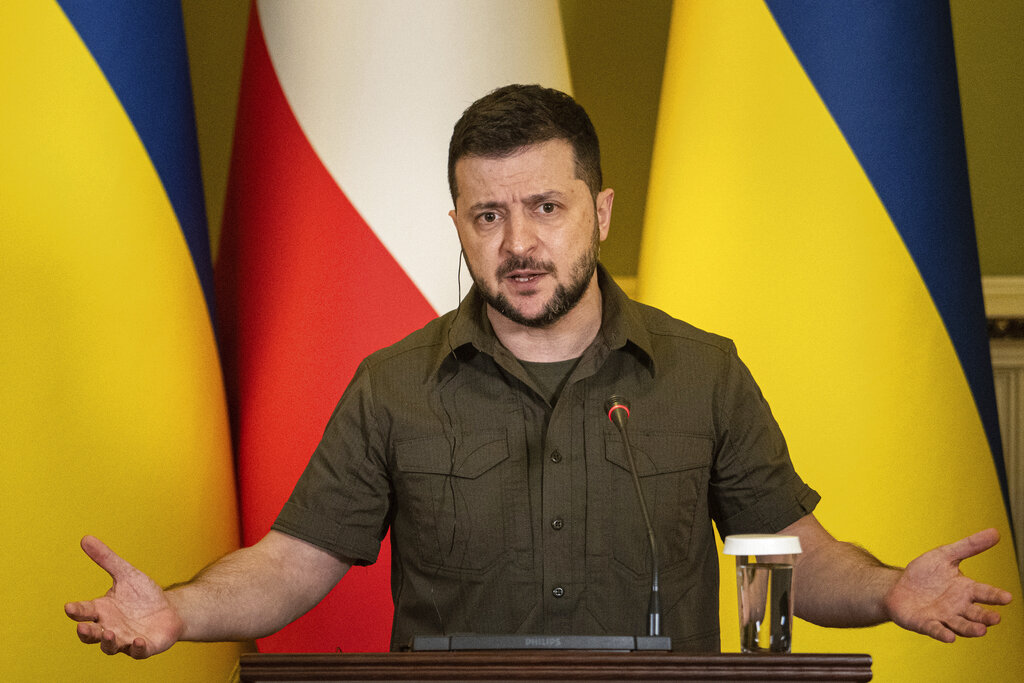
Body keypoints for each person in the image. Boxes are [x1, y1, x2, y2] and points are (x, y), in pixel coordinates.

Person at [66, 84, 1012, 658]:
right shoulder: (393, 387)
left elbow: (792, 562)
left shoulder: (702, 373)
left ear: (599, 212)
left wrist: (886, 589)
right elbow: (289, 565)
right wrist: (180, 609)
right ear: (458, 227)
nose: (518, 243)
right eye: (487, 216)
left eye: (546, 208)